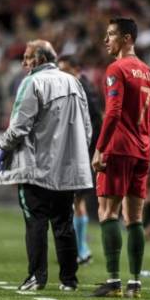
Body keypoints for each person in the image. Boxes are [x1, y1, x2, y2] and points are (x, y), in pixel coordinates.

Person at [0, 40, 93, 292]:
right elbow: (87, 128)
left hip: (36, 167)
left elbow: (19, 126)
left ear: (39, 59)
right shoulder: (74, 82)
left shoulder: (32, 82)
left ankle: (37, 277)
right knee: (64, 222)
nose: (24, 63)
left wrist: (4, 147)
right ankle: (69, 280)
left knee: (36, 221)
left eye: (27, 57)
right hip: (67, 168)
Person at [90, 18, 150, 298]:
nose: (106, 40)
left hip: (118, 149)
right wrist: (145, 144)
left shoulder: (117, 69)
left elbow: (114, 112)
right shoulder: (149, 73)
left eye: (111, 35)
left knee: (107, 212)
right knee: (135, 217)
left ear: (127, 38)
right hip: (142, 151)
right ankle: (135, 284)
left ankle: (113, 281)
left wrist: (100, 148)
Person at [57, 54, 104, 266]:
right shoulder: (75, 86)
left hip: (82, 154)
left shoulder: (82, 88)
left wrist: (88, 149)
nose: (61, 74)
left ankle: (81, 249)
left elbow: (97, 121)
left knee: (76, 201)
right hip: (77, 152)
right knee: (76, 202)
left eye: (65, 69)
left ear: (76, 69)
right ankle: (80, 248)